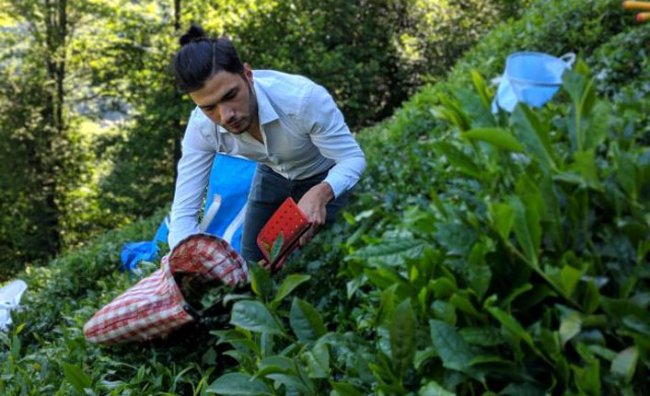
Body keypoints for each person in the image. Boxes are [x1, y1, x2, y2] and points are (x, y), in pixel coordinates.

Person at [168, 25, 366, 265]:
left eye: (231, 95)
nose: (226, 115)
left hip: (324, 172)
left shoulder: (302, 100)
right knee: (253, 265)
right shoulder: (201, 127)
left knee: (323, 257)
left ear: (248, 75)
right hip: (271, 174)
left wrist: (320, 193)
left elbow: (353, 159)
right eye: (209, 107)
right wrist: (187, 261)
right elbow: (184, 212)